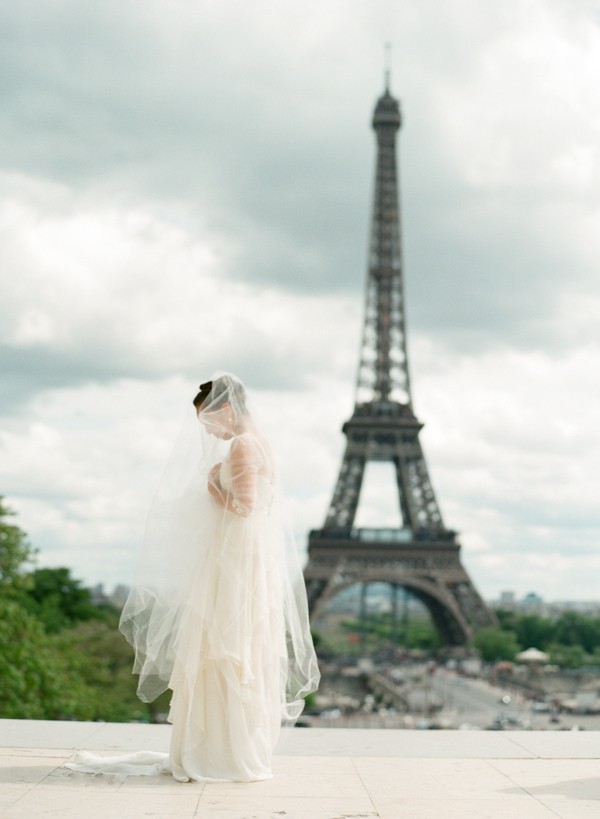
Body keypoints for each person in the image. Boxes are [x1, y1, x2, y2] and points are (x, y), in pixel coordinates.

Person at [68, 373, 320, 782]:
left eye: (208, 421)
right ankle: (232, 747)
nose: (209, 432)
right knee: (237, 650)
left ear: (225, 409)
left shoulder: (241, 444)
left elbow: (244, 508)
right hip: (248, 565)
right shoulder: (262, 444)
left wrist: (211, 486)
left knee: (218, 647)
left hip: (233, 564)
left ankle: (216, 750)